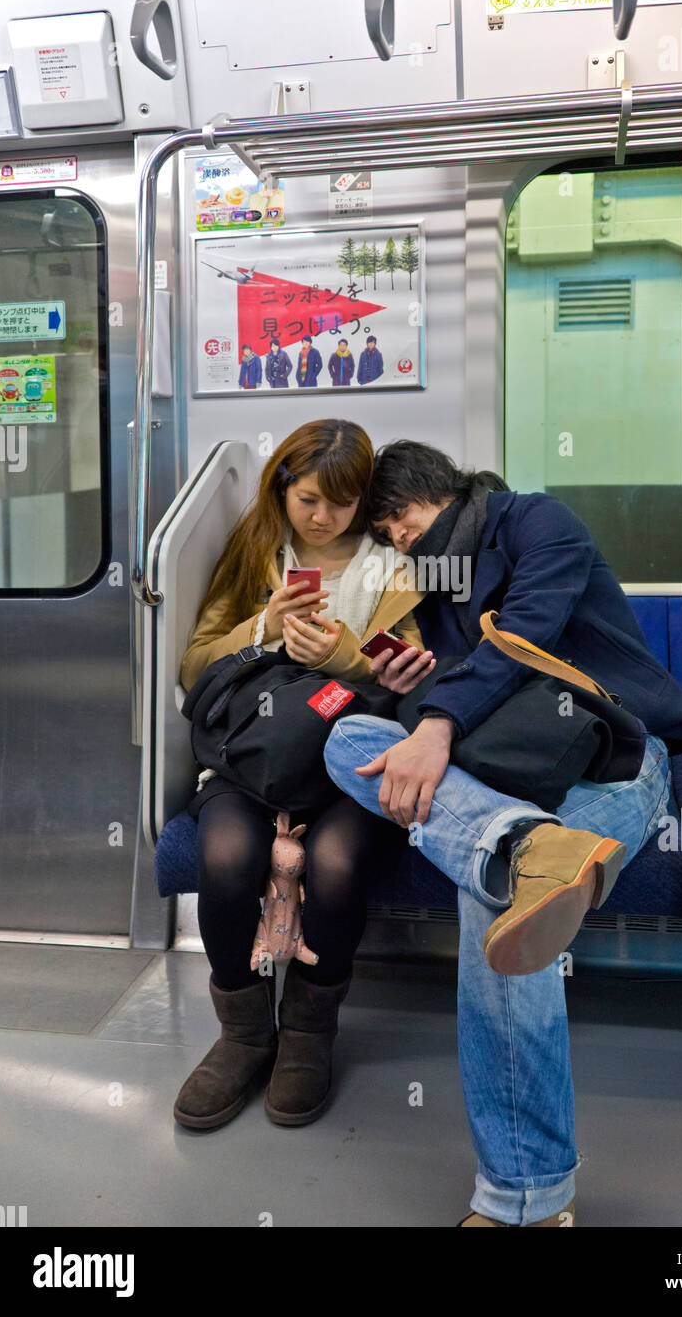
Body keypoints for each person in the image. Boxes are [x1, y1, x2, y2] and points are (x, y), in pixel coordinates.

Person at [323, 440, 682, 1226]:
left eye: (400, 521)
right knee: (344, 741)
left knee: (498, 898)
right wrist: (414, 690)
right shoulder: (432, 582)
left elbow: (522, 639)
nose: (397, 541)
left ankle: (529, 1199)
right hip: (510, 783)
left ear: (440, 491)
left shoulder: (537, 523)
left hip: (612, 757)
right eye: (385, 535)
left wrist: (438, 720)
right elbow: (469, 694)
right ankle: (518, 842)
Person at [175, 420, 425, 1133]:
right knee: (224, 857)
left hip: (346, 763)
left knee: (337, 863)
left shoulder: (391, 570)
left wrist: (342, 654)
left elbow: (402, 682)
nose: (322, 518)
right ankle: (245, 1033)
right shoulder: (256, 551)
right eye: (309, 499)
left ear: (363, 502)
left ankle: (309, 1032)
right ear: (283, 486)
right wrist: (262, 629)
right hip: (250, 755)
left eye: (341, 505)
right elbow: (194, 666)